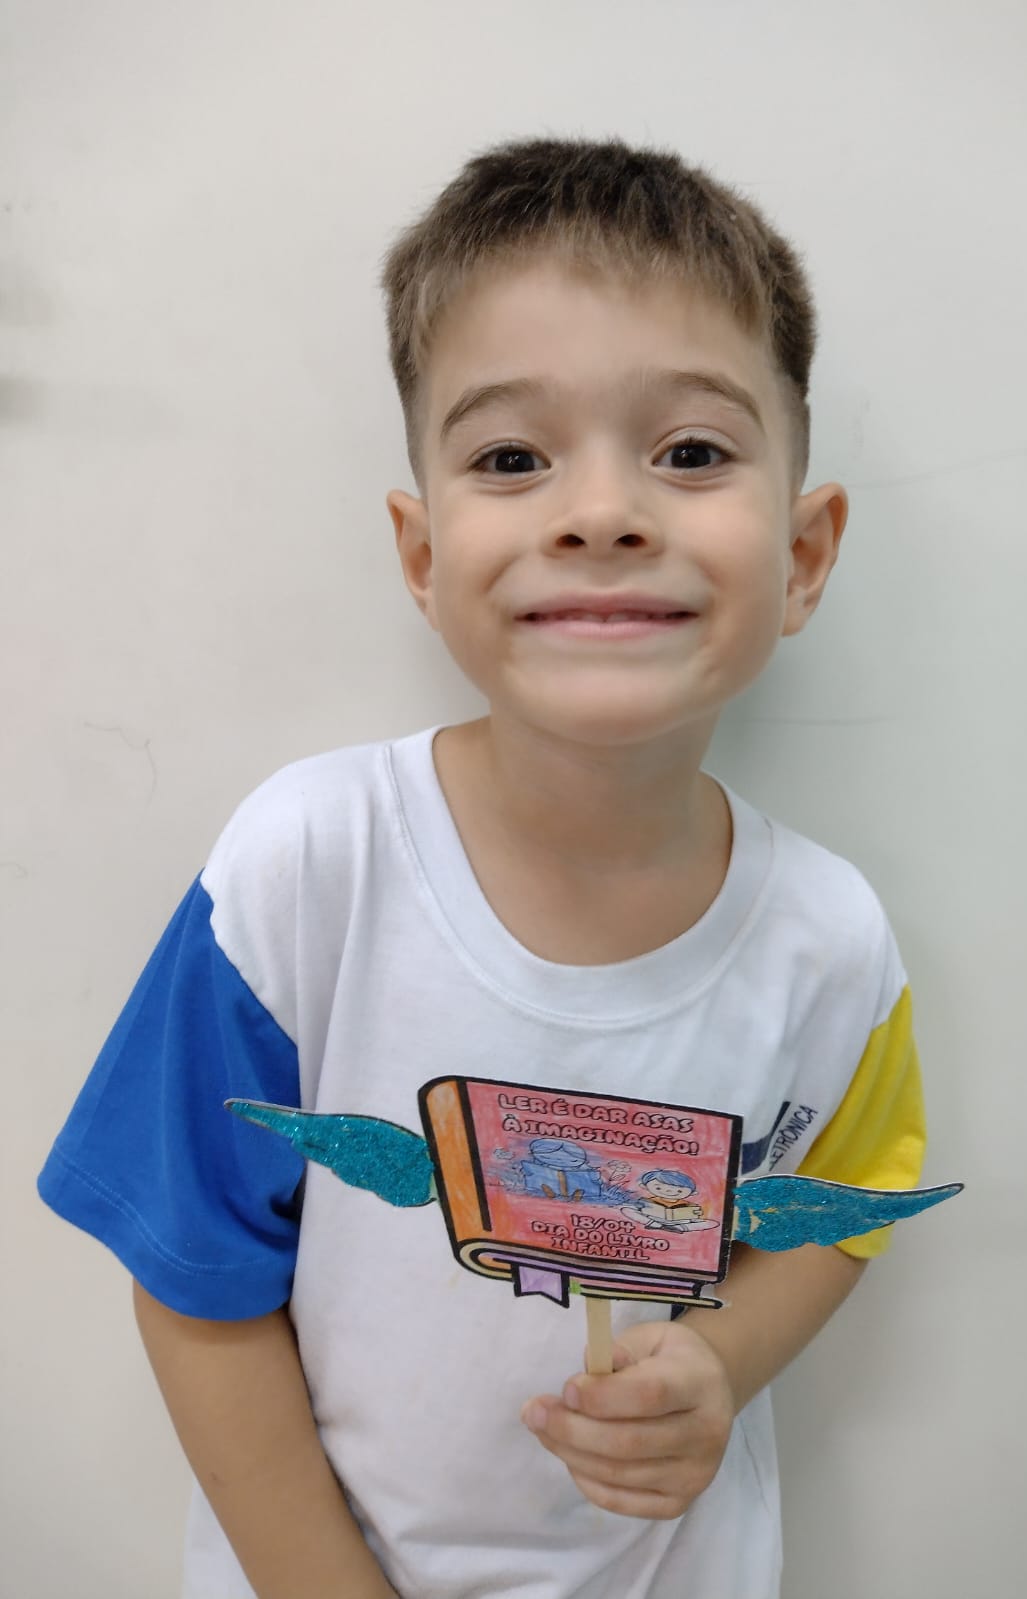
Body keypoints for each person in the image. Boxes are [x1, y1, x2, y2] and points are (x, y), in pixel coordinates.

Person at [38, 135, 929, 1599]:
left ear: (806, 555)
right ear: (422, 555)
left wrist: (722, 1359)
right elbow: (193, 1280)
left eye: (691, 452)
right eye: (513, 458)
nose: (602, 511)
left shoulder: (832, 938)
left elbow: (854, 1198)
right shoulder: (305, 871)